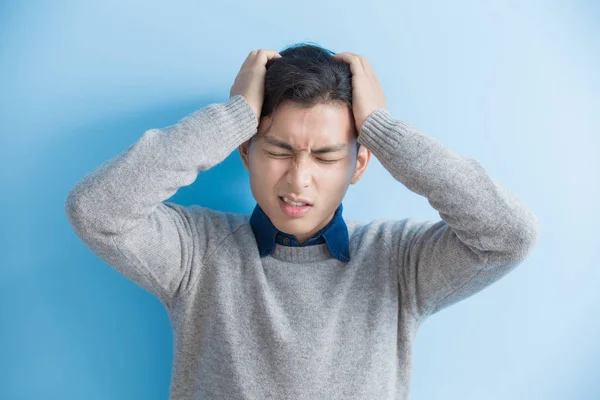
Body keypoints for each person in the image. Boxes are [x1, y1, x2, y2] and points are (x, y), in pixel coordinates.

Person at [65, 42, 539, 400]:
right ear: (246, 150)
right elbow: (96, 210)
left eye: (327, 156)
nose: (299, 180)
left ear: (359, 164)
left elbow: (507, 235)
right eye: (278, 150)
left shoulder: (399, 262)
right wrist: (233, 117)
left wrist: (381, 127)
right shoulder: (196, 252)